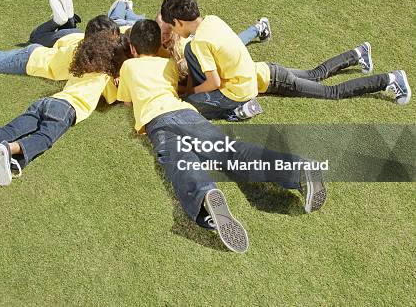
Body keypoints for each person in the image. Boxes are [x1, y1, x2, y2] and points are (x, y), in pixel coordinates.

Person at [116, 20, 326, 253]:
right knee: (230, 151)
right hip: (186, 114)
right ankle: (297, 168)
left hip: (158, 123)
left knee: (181, 163)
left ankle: (206, 195)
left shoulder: (128, 67)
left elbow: (127, 102)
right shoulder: (168, 64)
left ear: (133, 49)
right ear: (157, 46)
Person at [0, 30, 128, 185]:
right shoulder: (107, 77)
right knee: (44, 139)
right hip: (67, 110)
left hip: (47, 102)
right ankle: (10, 150)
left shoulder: (85, 64)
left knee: (9, 129)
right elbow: (116, 98)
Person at [160, 0, 262, 121]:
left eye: (171, 27)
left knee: (185, 105)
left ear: (177, 22)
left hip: (237, 93)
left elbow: (215, 83)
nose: (174, 31)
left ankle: (237, 110)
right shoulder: (212, 19)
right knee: (188, 50)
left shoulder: (200, 42)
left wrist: (192, 91)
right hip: (248, 82)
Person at [0, 15, 118, 81]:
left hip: (61, 41)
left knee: (38, 37)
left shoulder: (91, 49)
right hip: (31, 60)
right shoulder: (86, 57)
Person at [253, 43, 411, 104]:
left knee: (333, 92)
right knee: (315, 74)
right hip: (267, 68)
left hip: (275, 80)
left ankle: (390, 79)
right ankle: (358, 53)